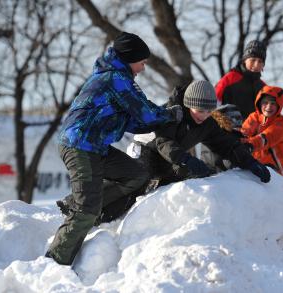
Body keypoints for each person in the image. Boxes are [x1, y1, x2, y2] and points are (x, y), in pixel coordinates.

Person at [45, 32, 183, 266]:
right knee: (86, 211)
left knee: (136, 175)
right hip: (80, 145)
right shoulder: (116, 79)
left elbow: (136, 121)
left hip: (95, 146)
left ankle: (76, 203)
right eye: (142, 62)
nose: (143, 68)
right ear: (130, 59)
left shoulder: (117, 78)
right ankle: (54, 264)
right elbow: (147, 114)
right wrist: (170, 113)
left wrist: (164, 115)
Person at [128, 80, 271, 203]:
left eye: (209, 111)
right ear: (189, 104)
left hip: (169, 158)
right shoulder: (173, 113)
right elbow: (164, 142)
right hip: (145, 150)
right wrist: (187, 160)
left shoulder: (207, 123)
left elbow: (226, 145)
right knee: (136, 184)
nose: (204, 116)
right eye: (200, 110)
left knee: (178, 187)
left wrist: (250, 162)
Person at [240, 85, 283, 179]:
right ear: (259, 103)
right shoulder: (253, 117)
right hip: (256, 166)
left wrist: (250, 144)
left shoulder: (280, 123)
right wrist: (238, 141)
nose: (269, 106)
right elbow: (244, 132)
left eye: (273, 103)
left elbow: (267, 137)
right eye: (265, 103)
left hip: (276, 170)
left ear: (279, 105)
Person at [215, 40, 267, 120]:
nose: (256, 64)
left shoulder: (264, 88)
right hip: (228, 129)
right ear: (244, 60)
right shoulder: (230, 78)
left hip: (254, 131)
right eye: (253, 60)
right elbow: (213, 102)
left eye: (260, 61)